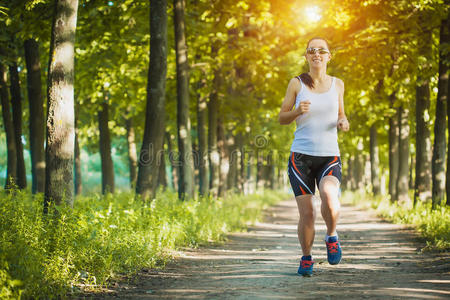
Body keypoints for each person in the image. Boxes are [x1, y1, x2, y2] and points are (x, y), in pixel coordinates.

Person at [278, 37, 349, 276]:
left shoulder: (338, 84)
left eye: (321, 50)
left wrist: (343, 121)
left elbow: (341, 114)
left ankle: (332, 236)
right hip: (301, 158)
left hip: (329, 155)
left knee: (329, 196)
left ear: (329, 56)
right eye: (312, 50)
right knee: (307, 213)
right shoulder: (297, 84)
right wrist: (298, 111)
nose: (316, 54)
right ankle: (306, 257)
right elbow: (282, 117)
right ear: (307, 56)